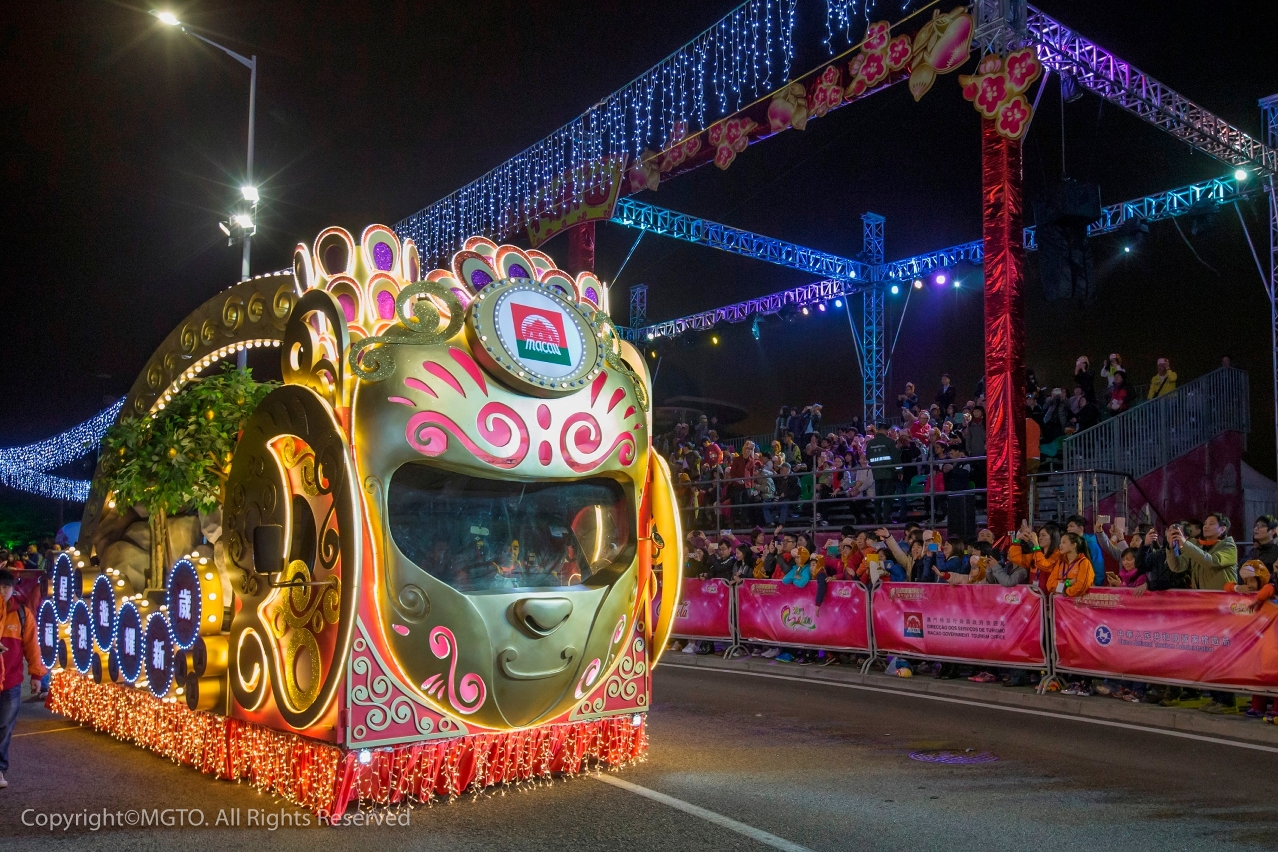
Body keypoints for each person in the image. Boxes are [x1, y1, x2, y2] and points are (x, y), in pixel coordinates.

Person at [1, 568, 48, 789]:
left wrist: (37, 675)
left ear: (13, 589)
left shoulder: (21, 614)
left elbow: (32, 646)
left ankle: (0, 770)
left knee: (4, 728)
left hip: (10, 682)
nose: (2, 591)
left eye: (6, 587)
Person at [1167, 512, 1237, 590]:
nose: (1206, 526)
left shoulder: (1228, 546)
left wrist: (1185, 544)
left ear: (1222, 529)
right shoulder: (1196, 544)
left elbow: (1211, 562)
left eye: (1211, 524)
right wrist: (1171, 547)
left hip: (1222, 597)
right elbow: (1177, 566)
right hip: (1201, 597)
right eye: (1205, 523)